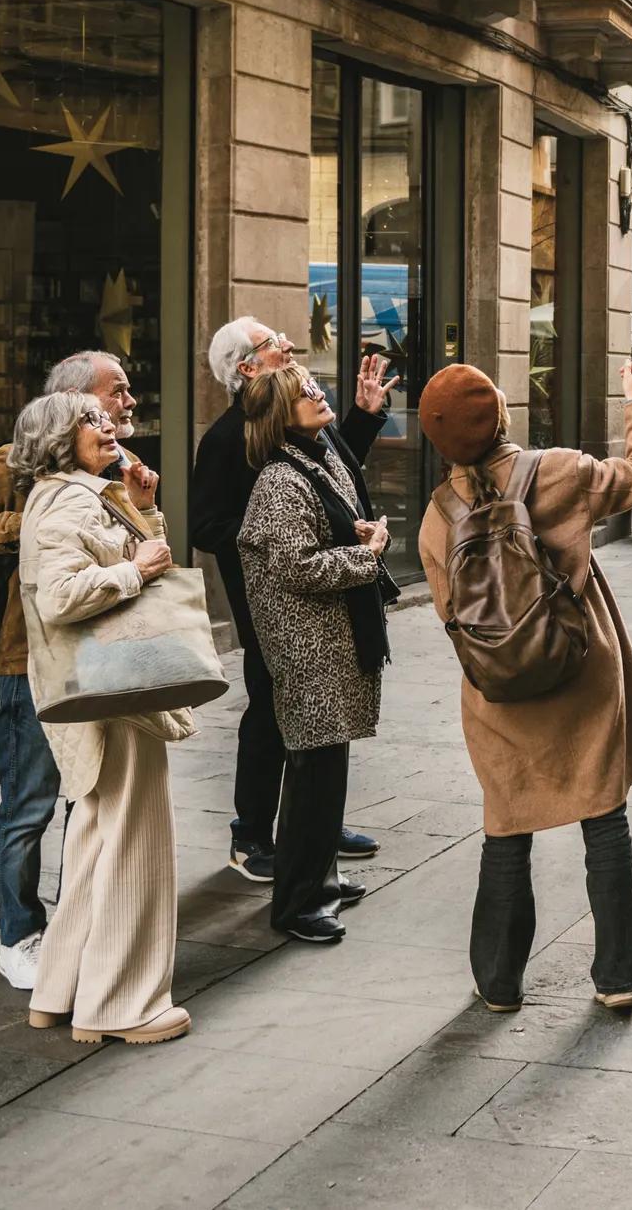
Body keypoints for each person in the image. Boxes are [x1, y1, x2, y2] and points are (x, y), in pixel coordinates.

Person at [416, 358, 632, 1014]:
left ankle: (499, 981)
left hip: (498, 693)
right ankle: (617, 975)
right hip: (579, 672)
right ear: (500, 416)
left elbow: (453, 616)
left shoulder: (438, 519)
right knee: (603, 817)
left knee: (506, 829)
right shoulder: (559, 471)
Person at [0, 350, 154, 993]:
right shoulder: (16, 463)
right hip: (27, 662)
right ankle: (18, 933)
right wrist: (33, 526)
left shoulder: (118, 469)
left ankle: (80, 923)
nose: (128, 404)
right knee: (28, 808)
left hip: (99, 655)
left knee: (94, 800)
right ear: (75, 403)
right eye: (118, 392)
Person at [12, 391, 193, 1045]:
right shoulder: (64, 500)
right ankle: (123, 1005)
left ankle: (59, 989)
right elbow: (62, 595)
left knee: (95, 838)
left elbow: (155, 560)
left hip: (104, 688)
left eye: (105, 415)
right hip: (111, 692)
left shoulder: (83, 493)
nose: (108, 423)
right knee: (134, 842)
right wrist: (131, 570)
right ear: (58, 438)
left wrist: (143, 510)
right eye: (89, 418)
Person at [190, 319, 390, 884]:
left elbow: (339, 473)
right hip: (270, 598)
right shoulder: (231, 436)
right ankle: (251, 834)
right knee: (271, 710)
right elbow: (206, 526)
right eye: (273, 341)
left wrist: (365, 417)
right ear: (247, 368)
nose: (289, 344)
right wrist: (275, 534)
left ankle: (313, 823)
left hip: (322, 589)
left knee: (320, 708)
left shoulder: (296, 417)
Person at [235, 366, 391, 946]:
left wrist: (362, 536)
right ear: (281, 415)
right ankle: (299, 902)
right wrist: (367, 556)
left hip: (333, 640)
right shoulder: (279, 480)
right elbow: (295, 566)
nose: (318, 393)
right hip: (307, 647)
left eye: (313, 385)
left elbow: (335, 530)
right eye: (304, 392)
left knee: (326, 772)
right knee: (312, 776)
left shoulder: (315, 458)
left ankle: (321, 873)